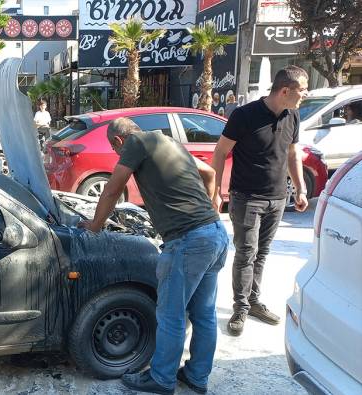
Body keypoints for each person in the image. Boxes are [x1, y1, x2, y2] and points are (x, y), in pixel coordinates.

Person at [80, 118, 228, 395]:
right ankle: (197, 376)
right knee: (204, 314)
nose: (117, 155)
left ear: (118, 141)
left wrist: (95, 225)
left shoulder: (135, 142)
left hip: (188, 240)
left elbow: (113, 188)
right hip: (214, 233)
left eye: (115, 151)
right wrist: (210, 208)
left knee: (170, 315)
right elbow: (209, 173)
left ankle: (161, 379)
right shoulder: (169, 142)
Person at [211, 65, 309, 337]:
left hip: (277, 197)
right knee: (246, 253)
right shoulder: (244, 115)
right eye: (302, 89)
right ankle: (240, 307)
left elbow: (292, 154)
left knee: (262, 254)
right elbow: (220, 153)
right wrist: (216, 192)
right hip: (247, 198)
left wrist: (299, 188)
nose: (305, 94)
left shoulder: (293, 115)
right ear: (285, 90)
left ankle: (254, 302)